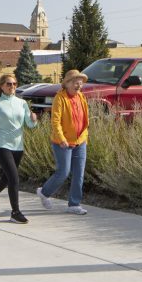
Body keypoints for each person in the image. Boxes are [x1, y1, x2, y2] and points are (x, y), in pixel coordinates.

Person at [0, 73, 37, 224]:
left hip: (18, 146)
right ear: (2, 86)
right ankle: (15, 212)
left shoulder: (22, 103)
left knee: (7, 178)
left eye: (14, 84)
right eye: (9, 84)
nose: (12, 87)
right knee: (14, 178)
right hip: (2, 144)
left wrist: (33, 120)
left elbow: (29, 125)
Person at [37, 69, 90, 215]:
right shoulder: (59, 98)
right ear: (66, 84)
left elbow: (85, 119)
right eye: (75, 82)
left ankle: (74, 204)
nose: (78, 84)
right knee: (63, 172)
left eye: (80, 82)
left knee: (79, 174)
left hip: (80, 141)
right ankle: (44, 192)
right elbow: (55, 121)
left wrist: (84, 135)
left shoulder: (81, 97)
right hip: (63, 142)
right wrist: (61, 138)